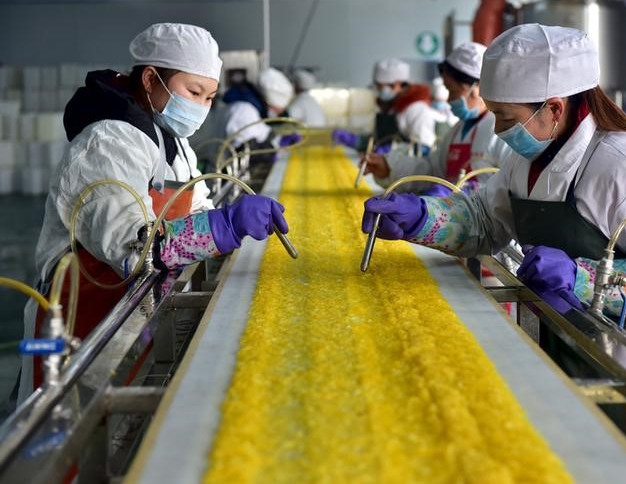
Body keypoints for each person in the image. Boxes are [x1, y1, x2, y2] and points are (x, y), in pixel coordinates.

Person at [361, 24, 626, 482]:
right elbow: (488, 222)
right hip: (560, 342)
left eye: (506, 117)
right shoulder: (525, 157)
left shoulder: (621, 165)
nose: (499, 129)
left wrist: (584, 278)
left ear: (553, 107)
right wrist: (423, 218)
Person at [20, 23, 290, 401]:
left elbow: (198, 205)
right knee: (66, 434)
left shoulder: (174, 142)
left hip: (130, 313)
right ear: (150, 79)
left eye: (210, 96)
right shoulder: (110, 141)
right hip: (83, 321)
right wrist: (224, 226)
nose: (200, 106)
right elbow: (137, 251)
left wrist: (228, 225)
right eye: (193, 92)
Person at [361, 42, 512, 196]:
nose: (448, 100)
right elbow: (432, 170)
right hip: (455, 217)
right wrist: (389, 167)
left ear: (478, 87)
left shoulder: (501, 133)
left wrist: (456, 195)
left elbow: (505, 192)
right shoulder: (458, 130)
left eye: (452, 91)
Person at [332, 58, 439, 155]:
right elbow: (381, 140)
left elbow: (424, 147)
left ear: (397, 84)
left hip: (408, 173)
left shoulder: (417, 109)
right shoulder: (391, 107)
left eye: (380, 87)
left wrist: (393, 150)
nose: (378, 92)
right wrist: (357, 141)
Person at [223, 67, 300, 158]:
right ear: (267, 102)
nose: (276, 114)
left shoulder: (255, 110)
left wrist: (279, 140)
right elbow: (247, 152)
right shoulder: (244, 110)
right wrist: (274, 150)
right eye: (276, 110)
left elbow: (262, 133)